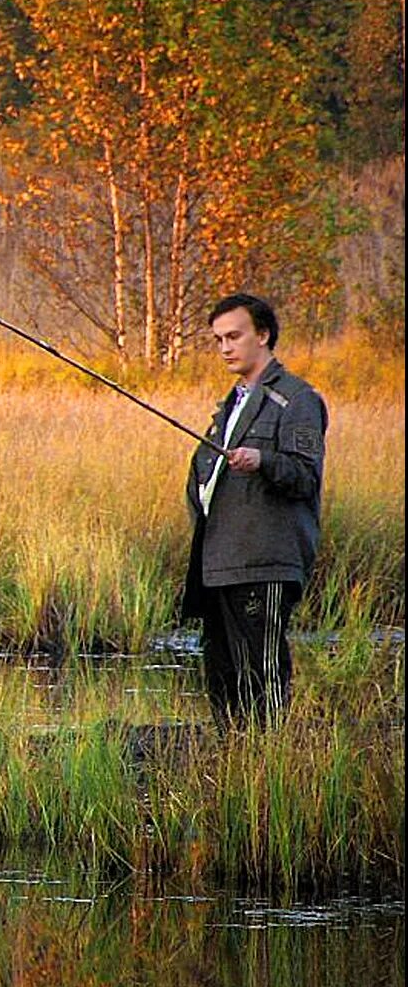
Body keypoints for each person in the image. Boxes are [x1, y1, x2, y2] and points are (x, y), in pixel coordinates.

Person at [182, 293, 327, 732]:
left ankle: (270, 766)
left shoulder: (297, 399)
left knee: (262, 677)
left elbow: (305, 476)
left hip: (265, 560)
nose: (225, 347)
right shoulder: (230, 405)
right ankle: (234, 765)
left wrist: (262, 460)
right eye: (218, 339)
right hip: (219, 562)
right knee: (223, 678)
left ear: (263, 335)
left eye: (234, 336)